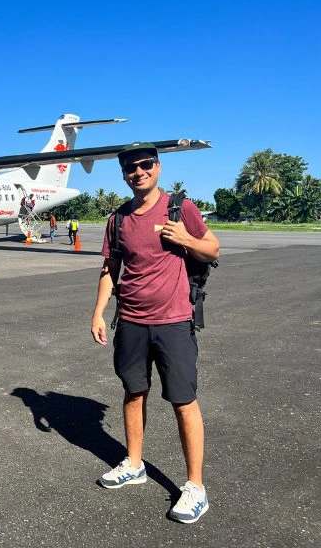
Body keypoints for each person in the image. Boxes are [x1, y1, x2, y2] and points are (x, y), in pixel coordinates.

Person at [90, 142, 220, 524]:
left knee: (183, 400)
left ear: (158, 167)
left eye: (146, 164)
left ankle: (195, 486)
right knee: (134, 391)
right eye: (131, 167)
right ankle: (134, 463)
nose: (139, 171)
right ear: (124, 174)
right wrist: (98, 313)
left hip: (174, 321)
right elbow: (109, 269)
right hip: (129, 320)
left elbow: (212, 249)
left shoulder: (181, 208)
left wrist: (187, 240)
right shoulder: (118, 219)